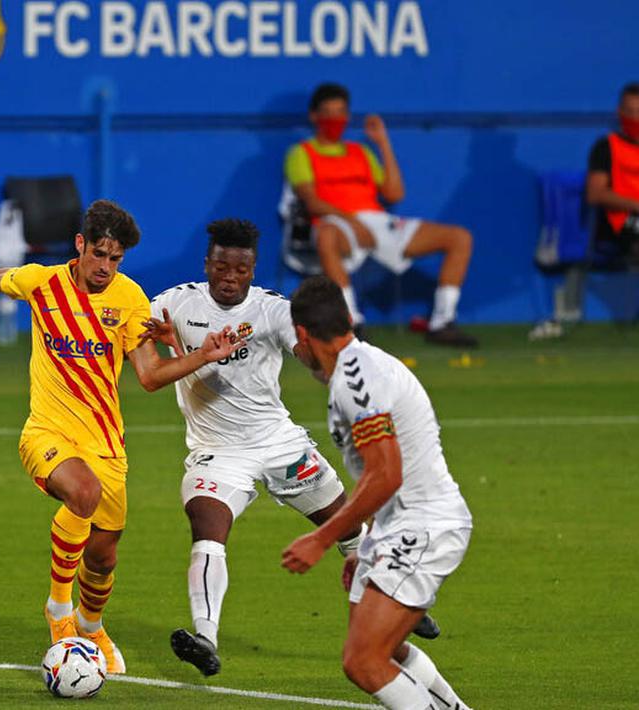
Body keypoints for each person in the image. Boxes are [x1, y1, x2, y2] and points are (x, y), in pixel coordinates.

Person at [0, 199, 239, 674]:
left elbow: (148, 375)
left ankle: (90, 624)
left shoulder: (129, 299)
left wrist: (201, 357)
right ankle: (59, 611)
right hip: (47, 432)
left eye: (116, 259)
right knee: (82, 493)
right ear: (80, 245)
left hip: (105, 444)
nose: (106, 267)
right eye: (99, 254)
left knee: (103, 557)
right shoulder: (43, 283)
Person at [148, 219, 438, 678]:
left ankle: (401, 602)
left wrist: (329, 367)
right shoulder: (172, 304)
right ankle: (205, 636)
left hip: (279, 443)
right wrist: (174, 349)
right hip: (217, 451)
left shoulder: (271, 311)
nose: (229, 276)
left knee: (350, 530)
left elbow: (311, 351)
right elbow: (140, 351)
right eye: (221, 266)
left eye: (240, 269)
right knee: (206, 524)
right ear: (207, 264)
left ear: (252, 269)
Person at [282, 275, 473, 710]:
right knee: (383, 647)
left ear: (303, 336)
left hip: (425, 524)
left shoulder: (355, 381)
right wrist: (367, 542)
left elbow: (387, 474)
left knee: (364, 661)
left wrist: (322, 537)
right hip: (399, 526)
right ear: (346, 320)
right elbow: (379, 475)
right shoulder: (362, 365)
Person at [285, 83, 477, 348]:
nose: (335, 120)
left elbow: (394, 194)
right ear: (314, 116)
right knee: (327, 234)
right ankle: (350, 321)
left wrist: (383, 143)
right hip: (336, 222)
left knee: (459, 237)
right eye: (328, 113)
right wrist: (352, 222)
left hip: (376, 221)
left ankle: (442, 322)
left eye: (340, 112)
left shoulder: (360, 152)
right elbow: (312, 202)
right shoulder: (301, 153)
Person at [585, 82, 639, 261]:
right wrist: (635, 204)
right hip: (619, 223)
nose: (635, 118)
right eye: (629, 111)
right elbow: (595, 194)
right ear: (619, 112)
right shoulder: (607, 147)